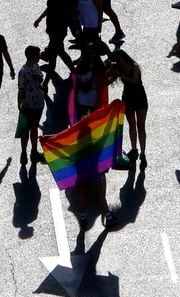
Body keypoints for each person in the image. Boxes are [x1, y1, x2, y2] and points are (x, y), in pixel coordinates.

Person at [72, 43, 118, 230]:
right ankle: (105, 215)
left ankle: (85, 216)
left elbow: (104, 81)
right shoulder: (80, 69)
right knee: (98, 192)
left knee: (84, 192)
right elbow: (74, 88)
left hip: (94, 107)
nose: (90, 54)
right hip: (84, 107)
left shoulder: (78, 142)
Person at [110, 49, 148, 169]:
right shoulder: (119, 69)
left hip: (139, 97)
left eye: (119, 59)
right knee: (132, 125)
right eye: (117, 60)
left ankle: (142, 152)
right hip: (128, 98)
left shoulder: (134, 67)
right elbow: (109, 80)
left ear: (124, 57)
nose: (118, 62)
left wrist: (120, 74)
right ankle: (134, 149)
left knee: (140, 126)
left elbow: (134, 81)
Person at [33, 0, 75, 93]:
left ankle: (45, 84)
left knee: (53, 56)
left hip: (58, 31)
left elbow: (68, 12)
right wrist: (40, 18)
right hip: (53, 30)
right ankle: (74, 72)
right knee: (60, 52)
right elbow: (49, 8)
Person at [16, 45, 45, 165]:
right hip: (28, 105)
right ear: (32, 56)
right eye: (38, 55)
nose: (40, 57)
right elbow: (21, 89)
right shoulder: (23, 71)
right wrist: (19, 104)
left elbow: (40, 79)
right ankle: (24, 152)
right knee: (25, 130)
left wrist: (38, 77)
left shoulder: (36, 66)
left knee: (34, 129)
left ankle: (33, 151)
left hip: (38, 103)